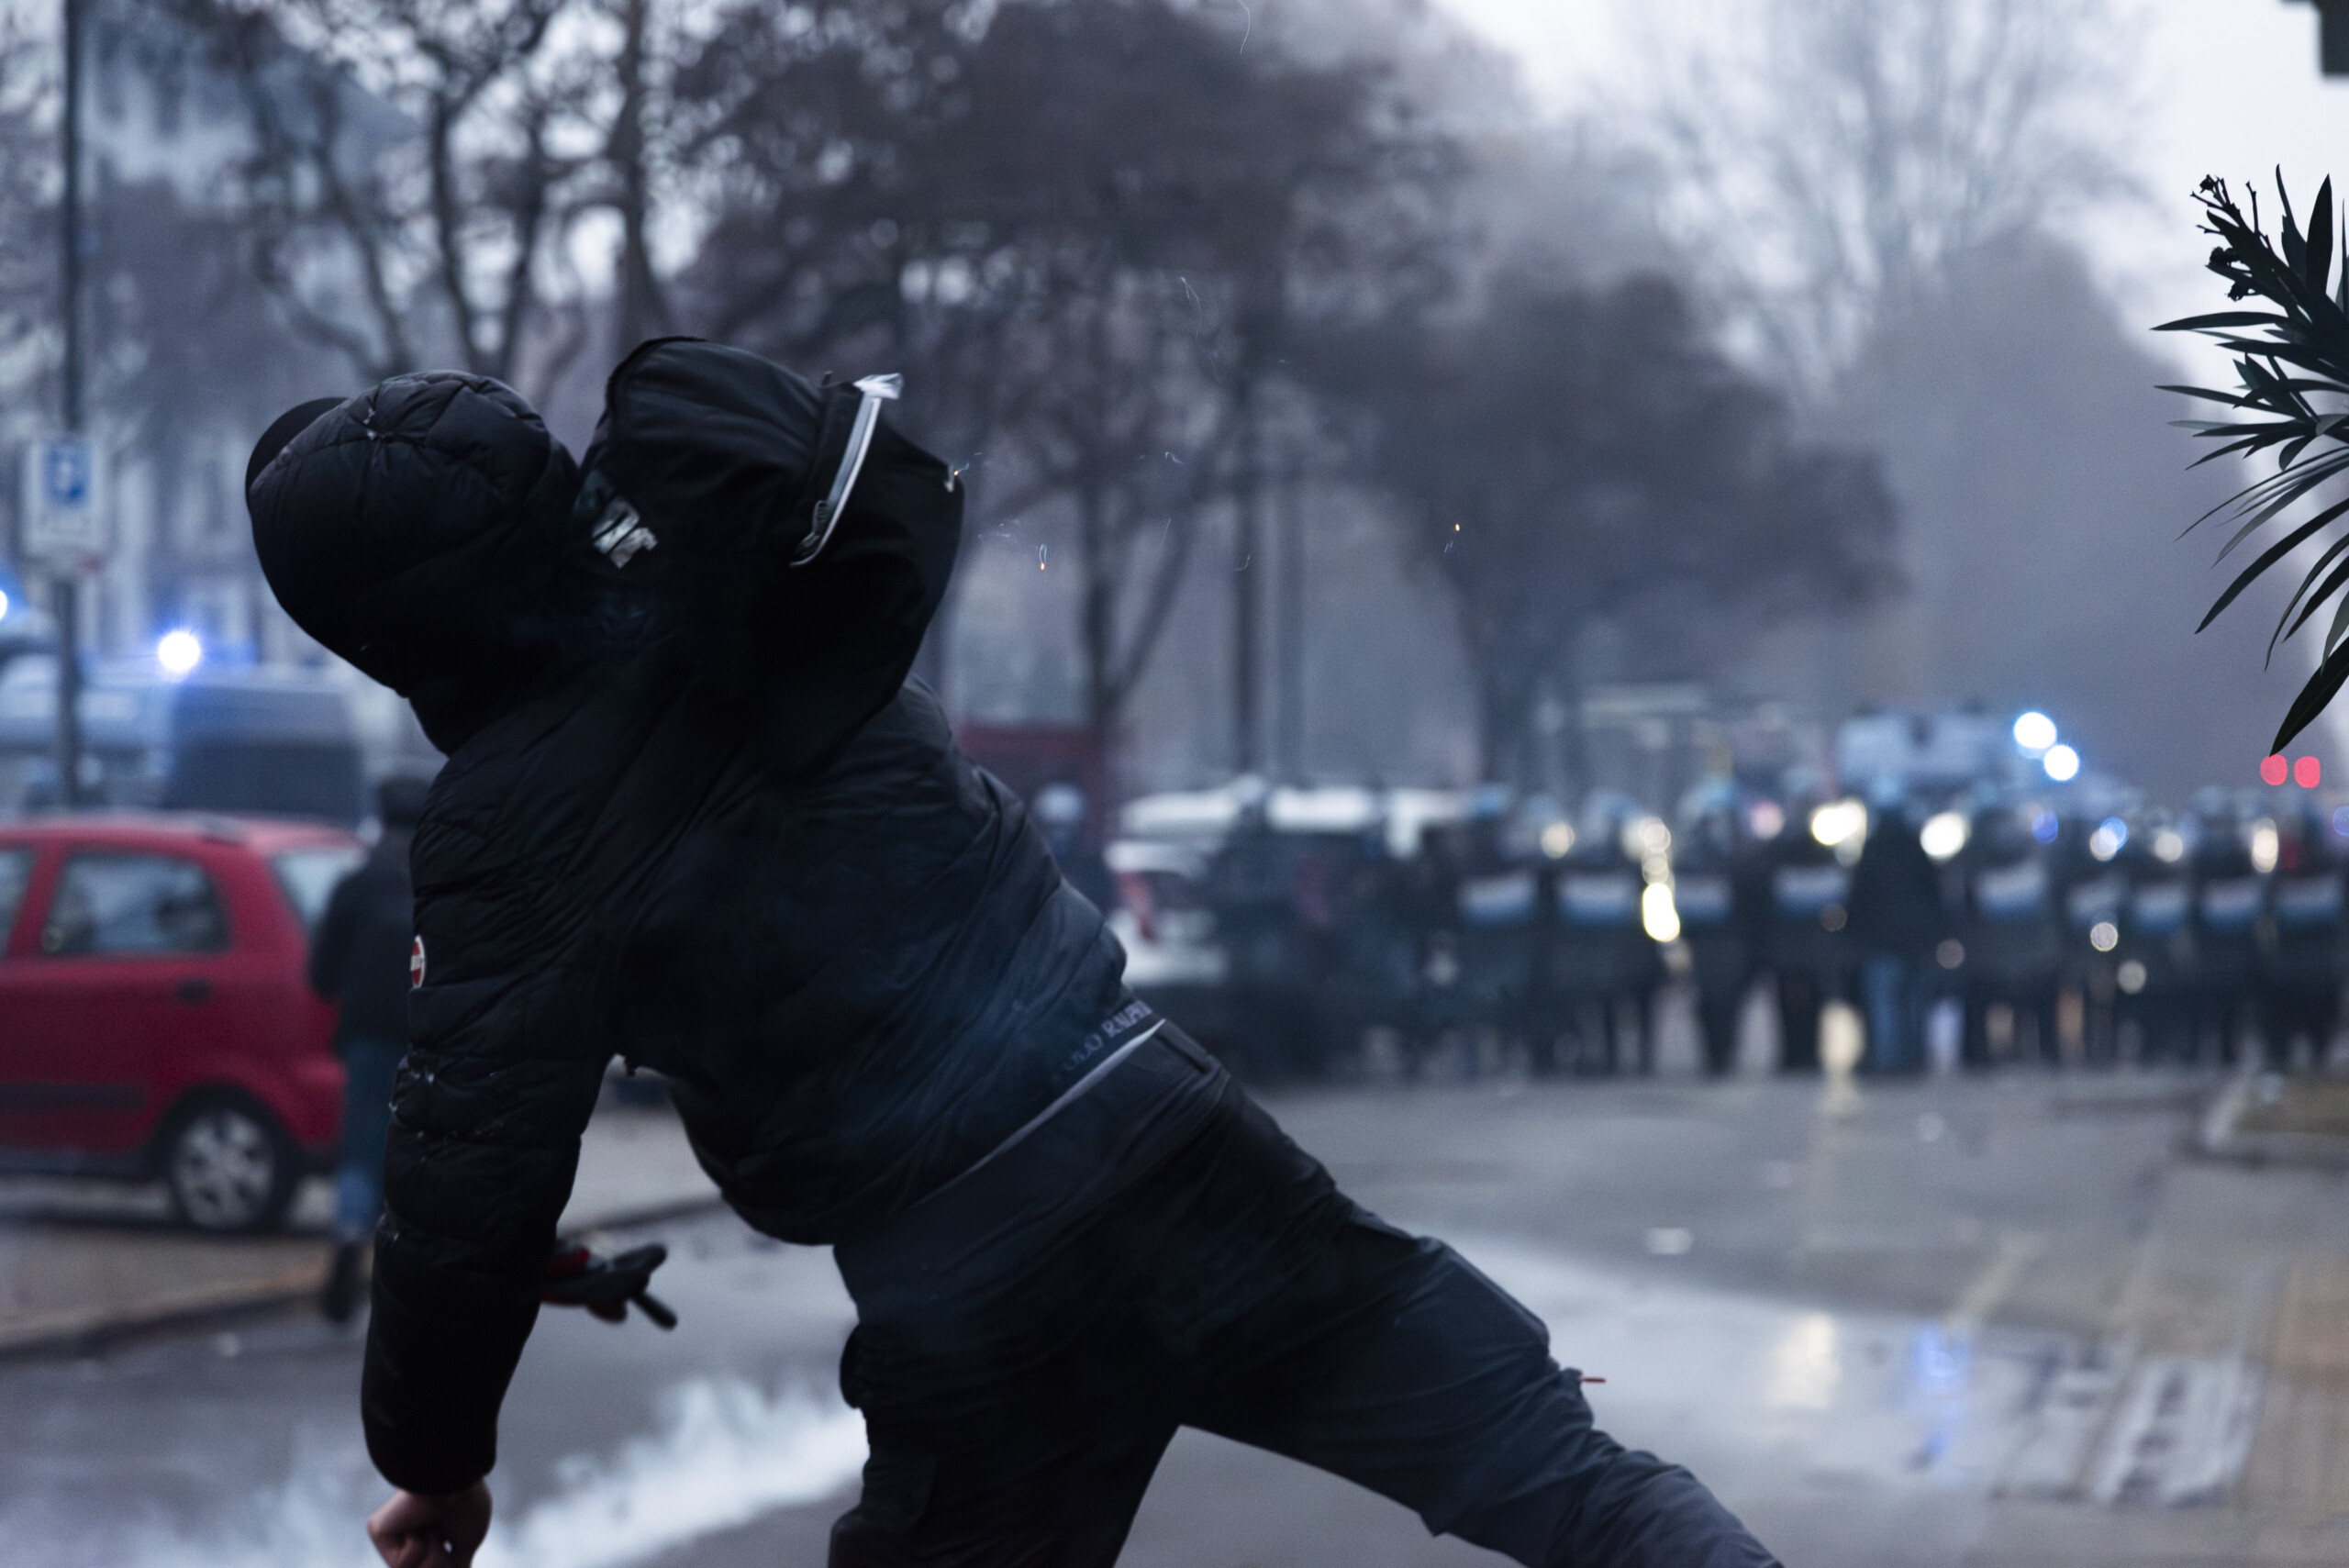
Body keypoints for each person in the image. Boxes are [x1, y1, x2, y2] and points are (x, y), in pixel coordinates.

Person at [246, 344, 1778, 1568]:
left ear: (387, 634)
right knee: (1555, 1471)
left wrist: (432, 1458)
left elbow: (465, 1182)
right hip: (1167, 1117)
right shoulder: (752, 594)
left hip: (979, 1270)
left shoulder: (508, 825)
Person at [306, 773, 430, 1323]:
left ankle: (349, 1237)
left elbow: (320, 975)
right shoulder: (437, 888)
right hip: (426, 1042)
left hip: (366, 1041)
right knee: (414, 1152)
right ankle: (401, 1268)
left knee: (361, 1148)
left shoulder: (356, 885)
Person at [1844, 783, 1943, 1074]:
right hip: (1914, 942)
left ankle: (1889, 1060)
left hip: (1881, 943)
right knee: (1913, 1003)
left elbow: (1857, 901)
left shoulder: (1872, 852)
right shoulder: (1916, 851)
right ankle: (1914, 1057)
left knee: (1884, 1003)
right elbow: (1934, 896)